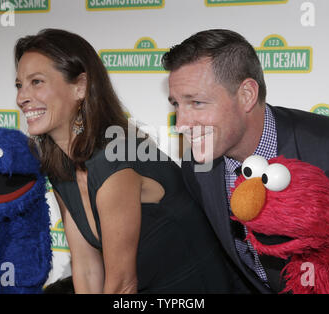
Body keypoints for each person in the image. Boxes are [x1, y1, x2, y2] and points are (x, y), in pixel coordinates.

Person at [14, 28, 247, 294]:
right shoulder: (60, 166)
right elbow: (87, 266)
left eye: (37, 82)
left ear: (79, 86)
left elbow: (122, 286)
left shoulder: (114, 156)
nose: (22, 98)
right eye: (19, 85)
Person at [162, 29, 329, 293]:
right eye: (176, 104)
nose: (182, 123)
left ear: (246, 95)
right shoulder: (197, 166)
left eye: (197, 103)